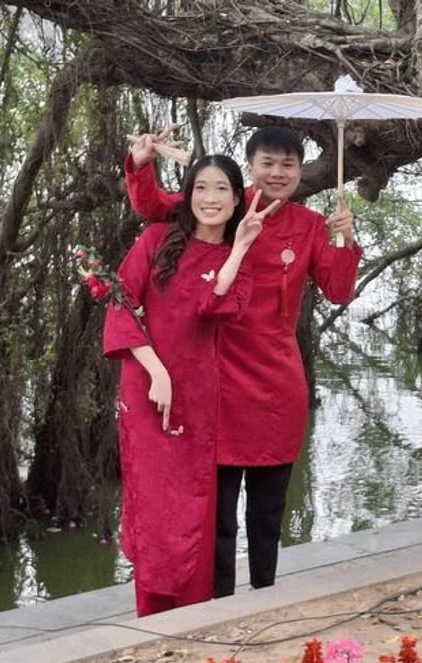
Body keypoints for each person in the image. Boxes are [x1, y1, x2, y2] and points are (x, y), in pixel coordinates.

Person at [125, 125, 363, 599]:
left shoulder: (310, 225)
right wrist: (141, 163)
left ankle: (265, 597)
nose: (277, 173)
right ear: (250, 166)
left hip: (277, 382)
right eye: (267, 163)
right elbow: (154, 208)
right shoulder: (226, 205)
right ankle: (217, 604)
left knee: (267, 511)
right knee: (216, 512)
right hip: (214, 379)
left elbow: (338, 291)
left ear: (299, 171)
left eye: (287, 165)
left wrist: (345, 240)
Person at [103, 154, 277, 616]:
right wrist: (156, 371)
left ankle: (193, 615)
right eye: (201, 187)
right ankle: (151, 612)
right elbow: (120, 305)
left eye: (222, 189)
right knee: (155, 504)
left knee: (192, 507)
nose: (211, 198)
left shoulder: (241, 264)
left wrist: (238, 248)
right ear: (188, 193)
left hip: (198, 398)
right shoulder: (156, 240)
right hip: (147, 392)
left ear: (238, 198)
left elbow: (212, 308)